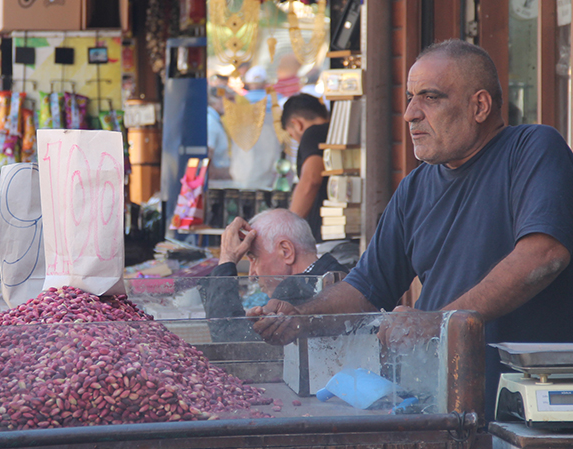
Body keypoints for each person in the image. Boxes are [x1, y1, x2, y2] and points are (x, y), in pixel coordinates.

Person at [248, 39, 573, 420]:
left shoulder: (532, 148)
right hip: (445, 410)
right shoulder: (416, 187)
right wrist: (302, 317)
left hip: (526, 415)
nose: (410, 114)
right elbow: (365, 289)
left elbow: (544, 254)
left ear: (479, 106)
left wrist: (441, 323)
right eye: (409, 97)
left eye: (430, 98)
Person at [201, 209, 348, 342]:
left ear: (286, 251)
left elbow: (229, 340)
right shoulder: (336, 273)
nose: (252, 275)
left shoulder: (295, 289)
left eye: (254, 258)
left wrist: (226, 260)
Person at [281, 94, 330, 241]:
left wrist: (288, 232)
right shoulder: (335, 130)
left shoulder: (312, 133)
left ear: (297, 124)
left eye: (292, 135)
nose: (296, 140)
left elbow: (311, 180)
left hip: (328, 237)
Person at [207, 87, 231, 184]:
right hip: (217, 184)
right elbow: (207, 158)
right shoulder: (210, 122)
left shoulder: (215, 120)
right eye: (229, 99)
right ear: (216, 101)